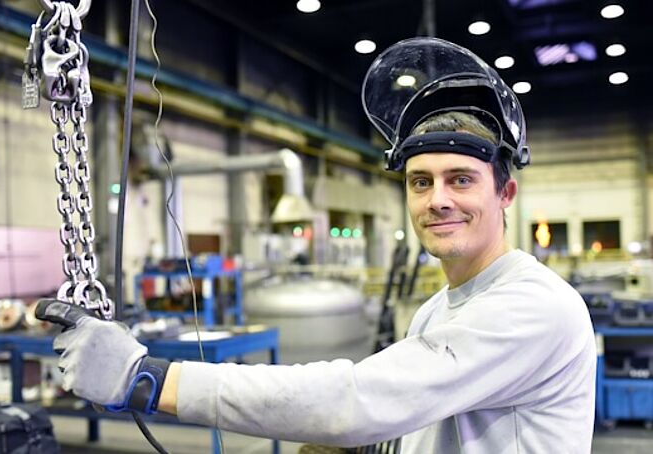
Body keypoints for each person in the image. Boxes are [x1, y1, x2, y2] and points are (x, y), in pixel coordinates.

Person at [37, 37, 596, 453]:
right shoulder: (436, 310)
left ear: (506, 193)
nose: (438, 200)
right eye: (421, 182)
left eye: (461, 180)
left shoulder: (534, 306)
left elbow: (359, 398)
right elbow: (417, 417)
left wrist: (150, 379)